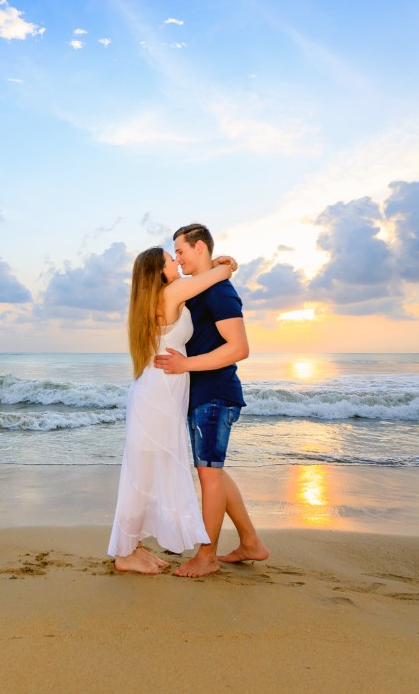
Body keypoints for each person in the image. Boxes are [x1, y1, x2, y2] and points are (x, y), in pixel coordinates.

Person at [108, 246, 239, 574]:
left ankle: (133, 547)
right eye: (170, 259)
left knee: (144, 472)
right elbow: (220, 273)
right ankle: (125, 552)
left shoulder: (151, 299)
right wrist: (225, 263)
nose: (176, 262)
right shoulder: (171, 292)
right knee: (141, 475)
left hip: (155, 393)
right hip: (157, 397)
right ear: (158, 271)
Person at [154, 223, 269, 578]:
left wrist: (185, 364)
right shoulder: (199, 288)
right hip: (201, 393)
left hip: (215, 392)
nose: (178, 258)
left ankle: (207, 555)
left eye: (182, 251)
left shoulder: (220, 293)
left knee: (209, 475)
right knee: (212, 471)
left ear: (199, 247)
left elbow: (239, 348)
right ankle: (250, 543)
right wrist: (224, 264)